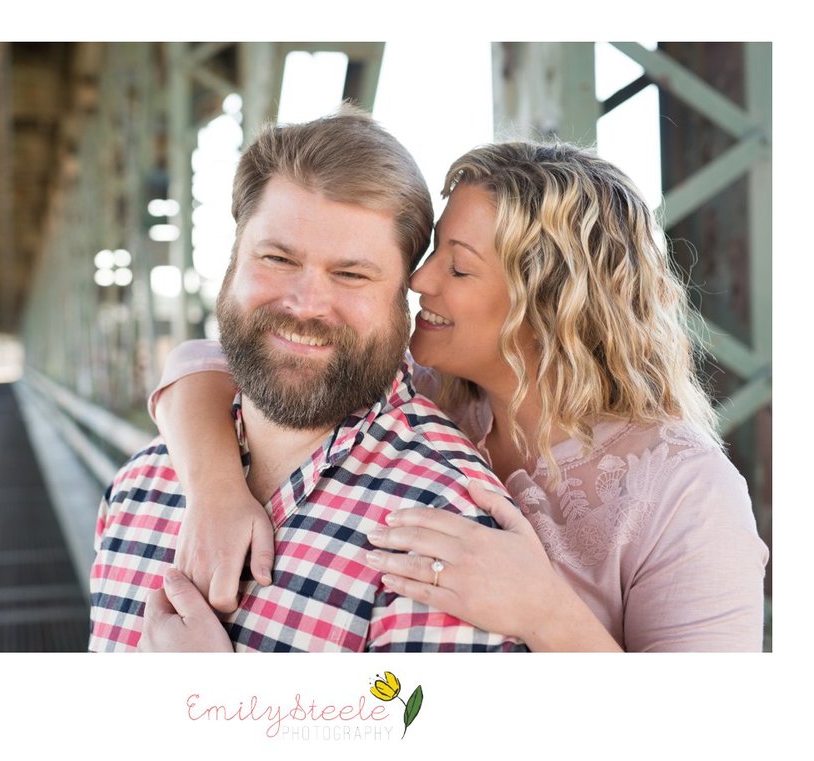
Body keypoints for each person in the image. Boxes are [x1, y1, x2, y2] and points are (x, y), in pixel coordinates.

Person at [150, 140, 769, 652]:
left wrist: (546, 613)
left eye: (459, 266)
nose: (418, 279)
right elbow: (206, 364)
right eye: (431, 252)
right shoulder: (425, 397)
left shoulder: (687, 491)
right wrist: (217, 491)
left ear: (552, 303)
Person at [88, 106, 526, 652]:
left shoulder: (444, 524)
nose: (305, 305)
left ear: (404, 299)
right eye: (276, 258)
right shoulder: (141, 485)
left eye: (350, 274)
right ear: (230, 264)